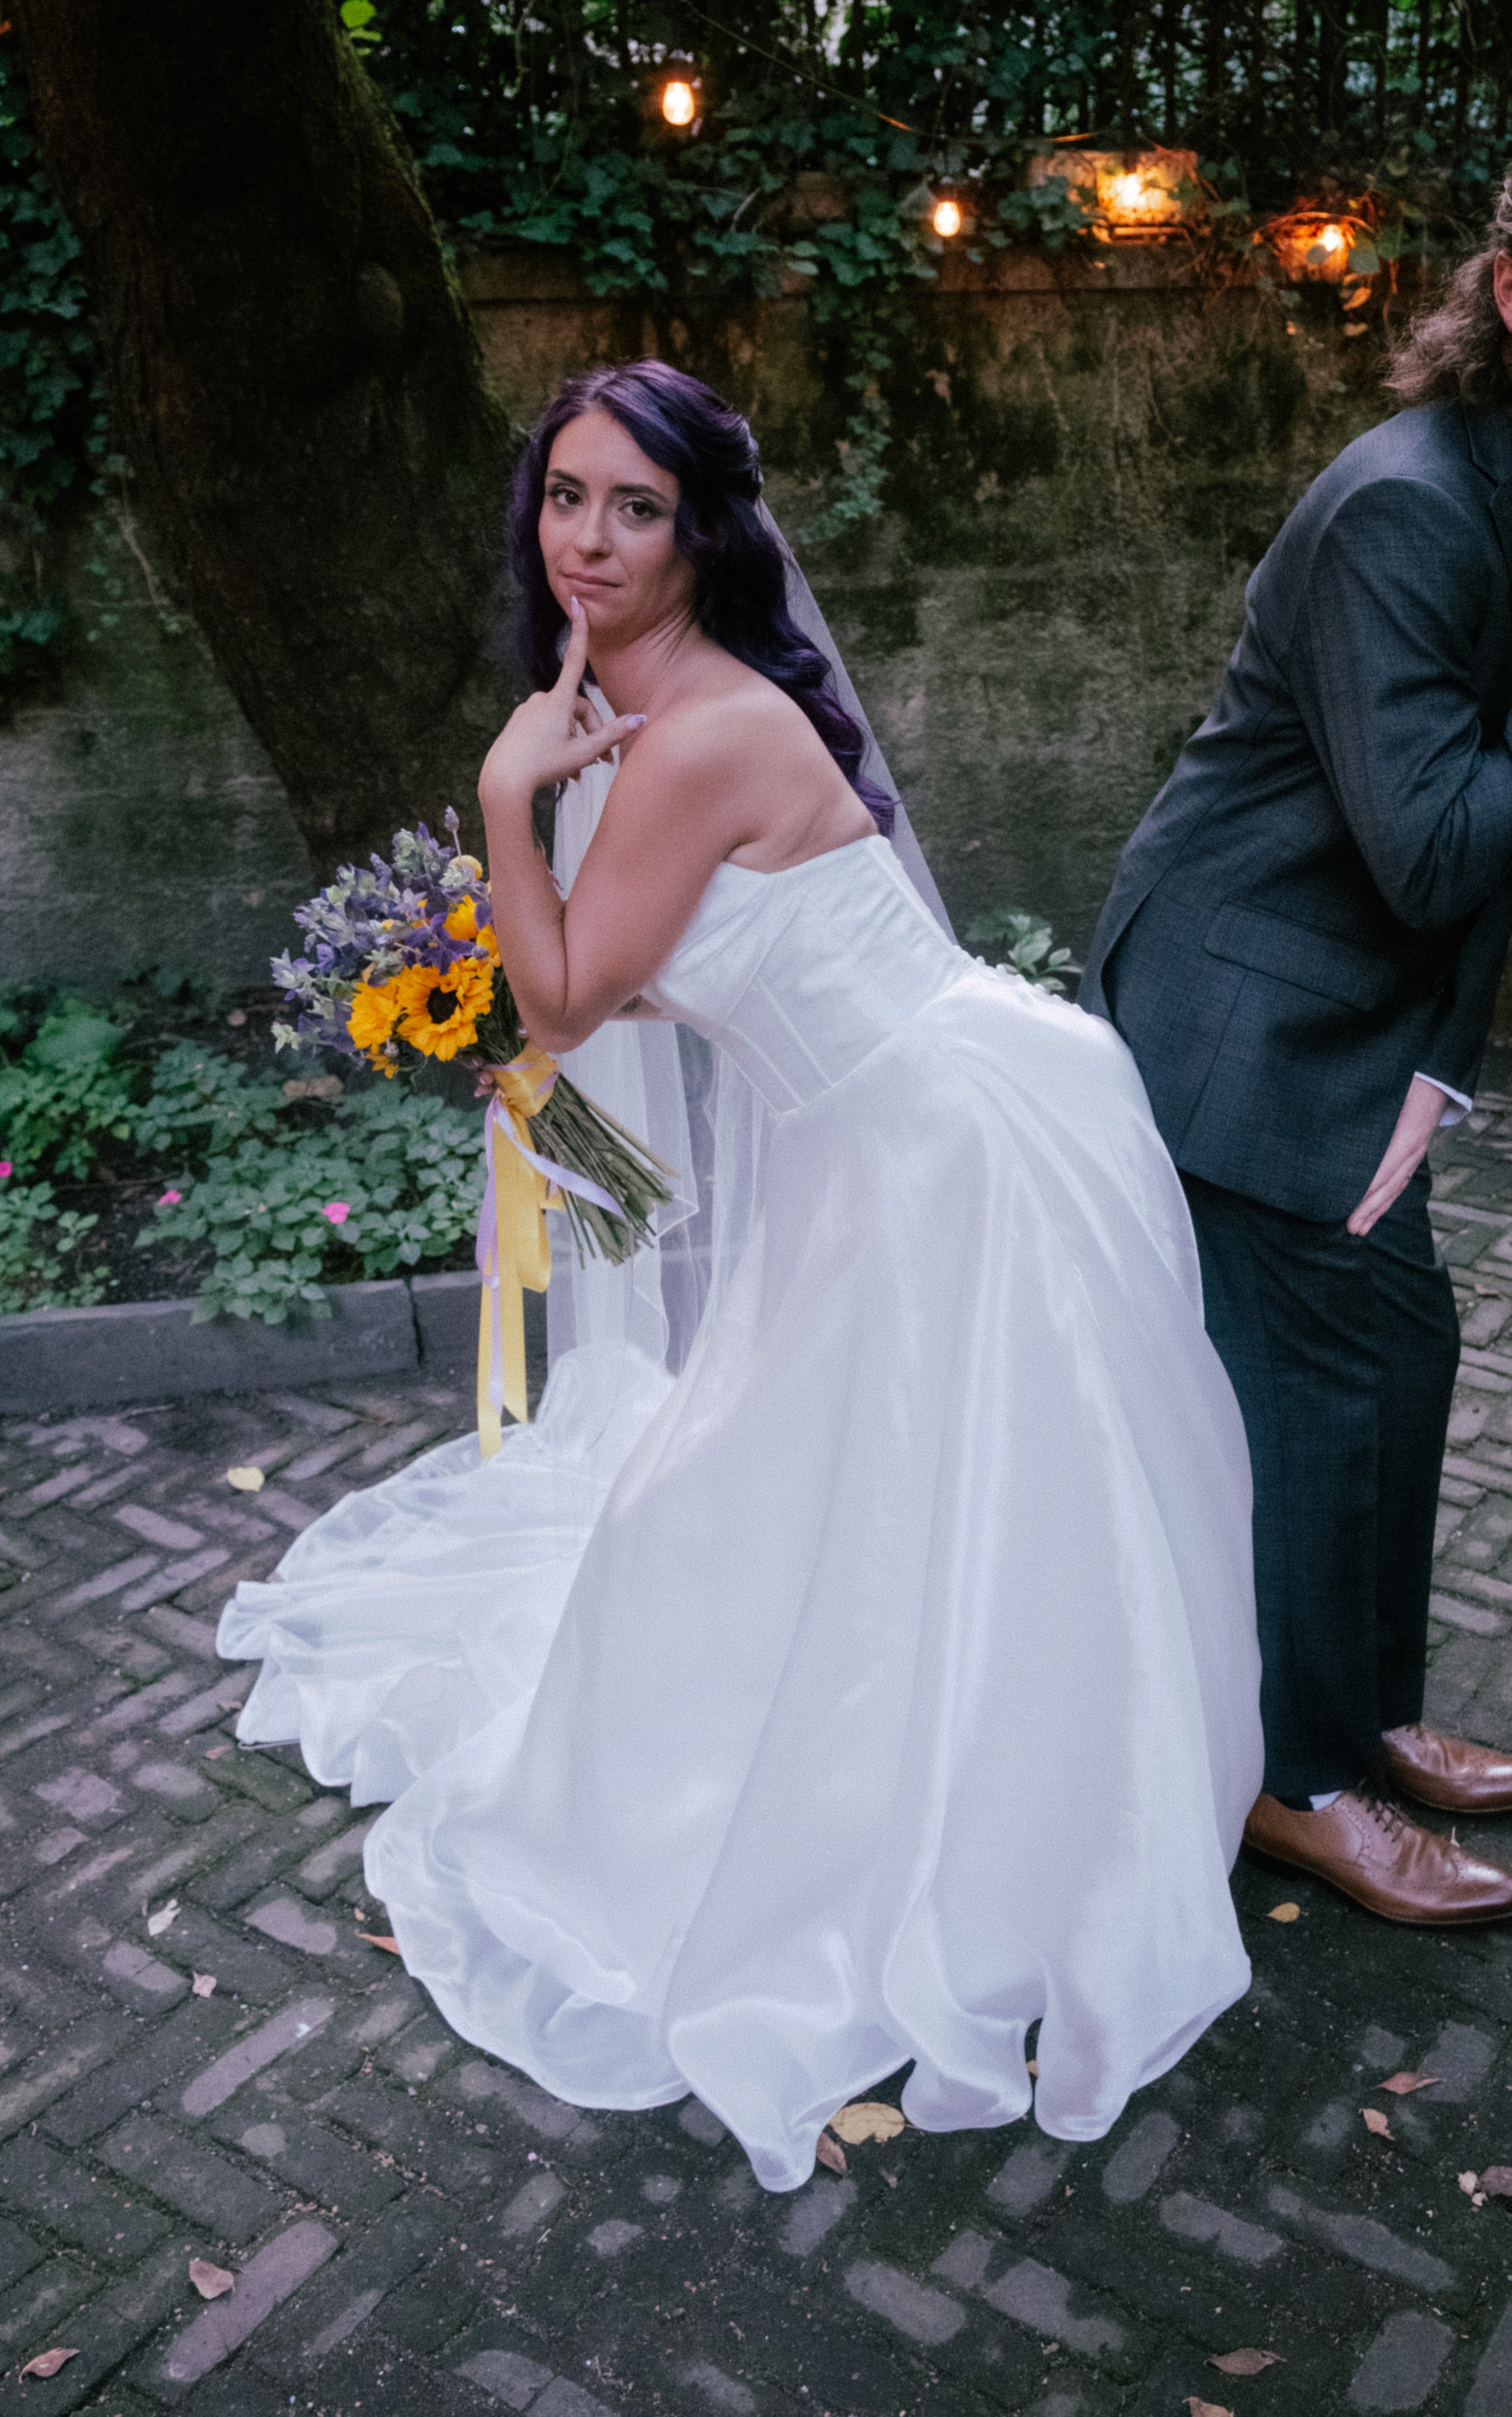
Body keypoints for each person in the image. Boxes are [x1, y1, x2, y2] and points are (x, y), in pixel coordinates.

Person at [218, 358, 1263, 2193]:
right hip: (887, 1133)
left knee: (904, 1498)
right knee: (844, 1499)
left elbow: (567, 998)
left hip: (937, 1146)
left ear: (703, 532)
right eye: (566, 497)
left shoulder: (695, 727)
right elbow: (640, 977)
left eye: (638, 507)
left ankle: (1004, 1840)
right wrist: (500, 944)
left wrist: (501, 799)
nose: (591, 539)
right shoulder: (632, 707)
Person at [1081, 97, 1512, 1929]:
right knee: (1305, 1413)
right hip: (1244, 1018)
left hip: (1365, 1016)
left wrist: (1442, 1063)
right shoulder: (1408, 508)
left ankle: (1361, 1715)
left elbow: (1481, 825)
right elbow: (1441, 839)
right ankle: (1289, 1783)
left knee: (1399, 1367)